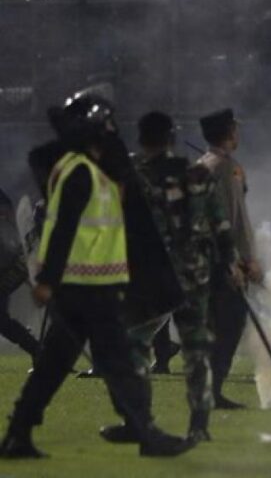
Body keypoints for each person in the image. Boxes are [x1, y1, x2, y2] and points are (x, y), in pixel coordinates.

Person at [0, 93, 193, 458]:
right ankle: (146, 433)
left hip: (87, 288)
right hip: (86, 290)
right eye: (106, 125)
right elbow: (64, 229)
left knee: (53, 368)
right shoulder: (80, 172)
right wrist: (48, 280)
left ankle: (17, 435)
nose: (112, 131)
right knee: (118, 364)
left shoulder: (87, 169)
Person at [100, 111, 239, 444]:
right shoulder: (196, 175)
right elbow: (220, 225)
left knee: (136, 345)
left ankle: (138, 420)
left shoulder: (135, 176)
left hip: (152, 276)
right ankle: (199, 424)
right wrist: (228, 264)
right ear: (171, 138)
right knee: (196, 350)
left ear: (142, 138)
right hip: (194, 275)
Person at [198, 108, 261, 410]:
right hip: (224, 260)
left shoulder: (204, 165)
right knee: (231, 324)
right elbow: (235, 220)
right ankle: (213, 390)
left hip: (204, 258)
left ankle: (207, 389)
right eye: (235, 129)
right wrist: (245, 260)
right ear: (228, 132)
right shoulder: (227, 169)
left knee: (214, 326)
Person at [0, 187, 39, 358]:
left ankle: (38, 350)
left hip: (8, 267)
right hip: (11, 264)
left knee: (1, 321)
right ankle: (38, 350)